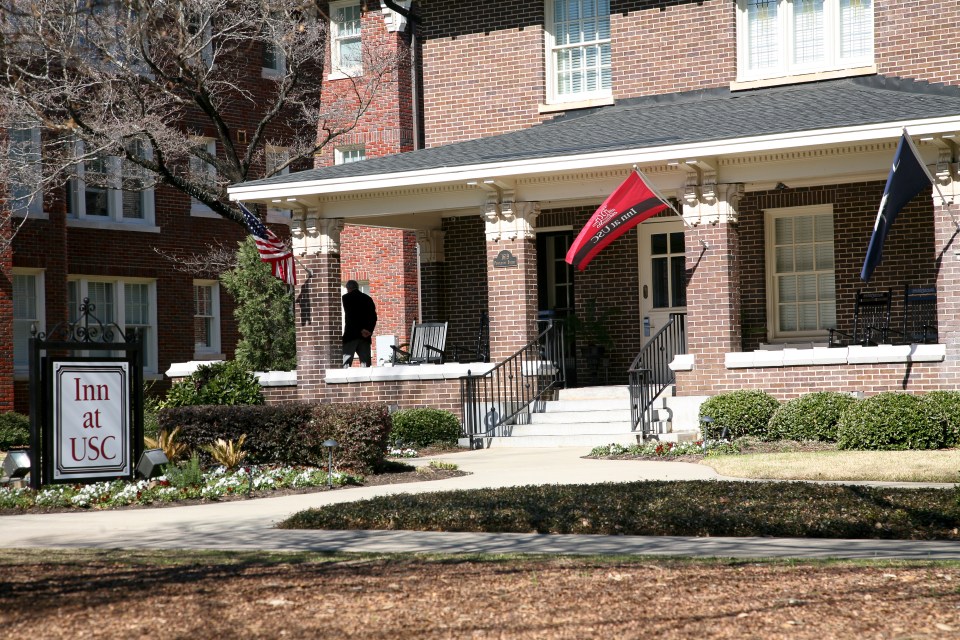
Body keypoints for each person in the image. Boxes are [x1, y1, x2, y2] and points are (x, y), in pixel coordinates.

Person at [341, 280, 377, 367]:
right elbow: (373, 317)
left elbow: (351, 316)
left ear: (348, 288)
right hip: (365, 336)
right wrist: (368, 330)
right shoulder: (367, 298)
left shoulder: (346, 298)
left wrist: (360, 329)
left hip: (351, 335)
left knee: (346, 362)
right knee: (366, 364)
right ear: (357, 287)